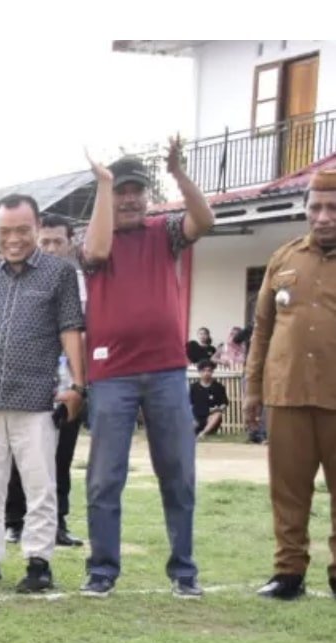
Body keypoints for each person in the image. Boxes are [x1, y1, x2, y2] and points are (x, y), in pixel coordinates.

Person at [80, 139, 214, 599]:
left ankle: (184, 571)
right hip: (111, 375)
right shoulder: (95, 235)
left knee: (178, 473)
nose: (130, 199)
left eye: (136, 190)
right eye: (121, 191)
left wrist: (178, 173)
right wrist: (102, 184)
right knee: (105, 477)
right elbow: (96, 253)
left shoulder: (166, 230)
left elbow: (206, 220)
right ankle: (102, 571)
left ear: (147, 195)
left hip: (166, 372)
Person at [0, 194, 85, 593]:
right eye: (5, 231)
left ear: (37, 228)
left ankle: (39, 562)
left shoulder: (59, 274)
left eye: (22, 230)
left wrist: (78, 385)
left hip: (38, 397)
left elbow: (70, 329)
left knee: (40, 483)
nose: (14, 239)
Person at [246, 169, 336, 601]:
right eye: (315, 207)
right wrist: (252, 390)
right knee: (287, 492)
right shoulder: (283, 259)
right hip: (287, 395)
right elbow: (261, 329)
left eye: (332, 208)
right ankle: (288, 573)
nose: (323, 217)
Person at [5, 213, 87, 548]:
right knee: (21, 455)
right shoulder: (19, 279)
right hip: (28, 383)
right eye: (46, 241)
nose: (51, 248)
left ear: (71, 244)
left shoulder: (82, 285)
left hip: (69, 383)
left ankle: (57, 522)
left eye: (58, 242)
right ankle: (14, 520)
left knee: (62, 457)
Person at [189, 360, 227, 438]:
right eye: (203, 371)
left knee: (217, 415)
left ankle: (203, 433)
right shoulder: (193, 387)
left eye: (209, 371)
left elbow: (224, 404)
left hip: (210, 417)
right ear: (199, 372)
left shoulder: (218, 387)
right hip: (196, 416)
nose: (206, 373)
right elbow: (188, 404)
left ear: (212, 372)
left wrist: (218, 408)